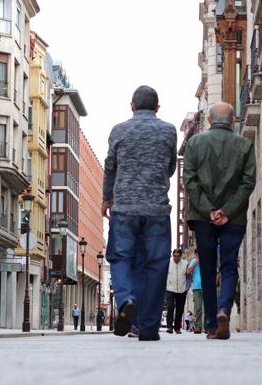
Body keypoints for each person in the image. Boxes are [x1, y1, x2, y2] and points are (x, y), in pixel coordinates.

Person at [103, 85, 177, 341]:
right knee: (156, 265)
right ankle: (148, 328)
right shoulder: (168, 130)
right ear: (157, 107)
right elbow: (169, 168)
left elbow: (110, 166)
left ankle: (125, 300)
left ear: (131, 105)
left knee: (121, 257)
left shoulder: (119, 131)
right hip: (156, 209)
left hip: (124, 208)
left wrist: (106, 199)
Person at [183, 102, 256, 340]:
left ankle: (212, 324)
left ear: (209, 120)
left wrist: (209, 210)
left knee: (206, 267)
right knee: (228, 264)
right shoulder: (245, 145)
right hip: (233, 218)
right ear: (233, 121)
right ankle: (225, 308)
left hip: (203, 218)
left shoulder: (194, 143)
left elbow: (190, 181)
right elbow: (248, 182)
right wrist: (226, 210)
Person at [165, 248, 188, 334]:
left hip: (182, 289)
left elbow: (188, 275)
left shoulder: (185, 264)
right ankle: (169, 326)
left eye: (178, 256)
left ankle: (177, 327)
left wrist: (187, 287)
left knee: (180, 309)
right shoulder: (168, 263)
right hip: (170, 289)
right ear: (172, 255)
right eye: (174, 256)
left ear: (181, 256)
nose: (176, 258)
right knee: (170, 307)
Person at [186, 250, 203, 334]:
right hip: (196, 287)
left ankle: (209, 326)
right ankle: (198, 326)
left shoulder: (209, 259)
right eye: (197, 253)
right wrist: (196, 262)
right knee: (198, 308)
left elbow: (216, 271)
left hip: (207, 287)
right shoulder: (193, 261)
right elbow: (188, 271)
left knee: (208, 308)